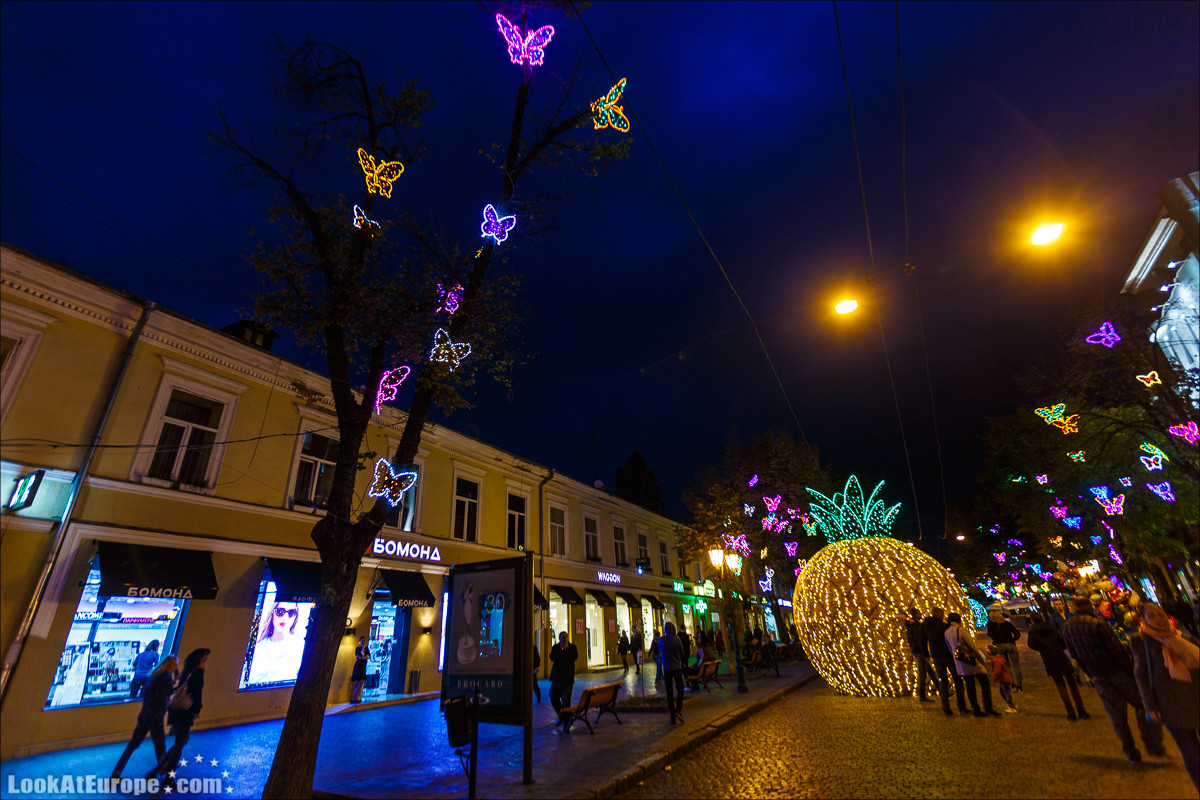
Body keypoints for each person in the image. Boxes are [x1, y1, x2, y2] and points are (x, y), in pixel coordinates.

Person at [1063, 595, 1164, 765]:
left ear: (1074, 606)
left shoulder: (1067, 628)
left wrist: (1090, 673)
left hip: (1099, 676)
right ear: (1089, 606)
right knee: (1141, 704)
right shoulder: (1098, 624)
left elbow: (1074, 654)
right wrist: (1130, 669)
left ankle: (1131, 752)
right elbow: (1116, 650)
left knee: (1117, 717)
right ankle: (1151, 741)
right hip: (1117, 673)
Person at [1131, 601, 1200, 789]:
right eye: (1151, 616)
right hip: (1170, 705)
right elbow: (1141, 674)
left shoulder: (1184, 638)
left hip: (1196, 697)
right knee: (1192, 753)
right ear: (1143, 619)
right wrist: (1150, 706)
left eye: (1160, 614)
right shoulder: (1141, 641)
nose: (1158, 619)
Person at [148, 648, 210, 786]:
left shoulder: (188, 670)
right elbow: (196, 694)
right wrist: (197, 710)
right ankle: (168, 777)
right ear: (200, 658)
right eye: (206, 656)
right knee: (179, 745)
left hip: (177, 710)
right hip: (186, 712)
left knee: (181, 742)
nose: (207, 658)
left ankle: (159, 769)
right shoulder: (198, 673)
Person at [112, 655, 177, 779]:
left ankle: (116, 773)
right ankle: (165, 774)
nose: (176, 668)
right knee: (160, 746)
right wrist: (176, 685)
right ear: (170, 665)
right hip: (156, 717)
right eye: (175, 665)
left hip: (145, 714)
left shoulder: (153, 676)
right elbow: (165, 693)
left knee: (132, 745)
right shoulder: (165, 679)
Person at [1027, 612, 1090, 720]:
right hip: (1061, 657)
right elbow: (1063, 644)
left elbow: (1031, 645)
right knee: (1073, 684)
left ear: (1032, 620)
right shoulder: (1051, 628)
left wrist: (1041, 647)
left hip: (1049, 659)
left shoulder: (1033, 631)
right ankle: (1081, 710)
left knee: (1060, 686)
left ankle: (1070, 712)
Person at [945, 612, 999, 717]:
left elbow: (950, 648)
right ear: (959, 620)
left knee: (970, 686)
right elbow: (972, 647)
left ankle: (976, 709)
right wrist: (982, 660)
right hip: (971, 661)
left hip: (959, 662)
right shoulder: (961, 630)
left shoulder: (946, 632)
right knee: (984, 682)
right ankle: (988, 707)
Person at [248, 601, 307, 684]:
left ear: (296, 616)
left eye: (291, 612)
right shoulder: (256, 649)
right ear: (272, 613)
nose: (285, 617)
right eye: (280, 611)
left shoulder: (301, 648)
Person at [923, 607, 965, 717]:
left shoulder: (926, 626)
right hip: (948, 656)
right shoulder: (944, 626)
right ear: (940, 615)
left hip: (936, 656)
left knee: (942, 680)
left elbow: (922, 640)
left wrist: (926, 654)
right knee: (957, 679)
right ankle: (961, 705)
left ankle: (945, 706)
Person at [987, 611, 1024, 692]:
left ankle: (1012, 684)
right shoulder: (1007, 623)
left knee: (1006, 665)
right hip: (1011, 645)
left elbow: (989, 634)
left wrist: (995, 638)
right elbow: (1017, 633)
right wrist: (1013, 639)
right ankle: (1019, 686)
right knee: (1016, 665)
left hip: (999, 645)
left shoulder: (990, 624)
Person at [904, 608, 936, 703]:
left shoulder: (913, 624)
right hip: (920, 651)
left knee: (930, 672)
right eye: (919, 613)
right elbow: (919, 640)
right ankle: (922, 695)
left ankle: (943, 691)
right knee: (923, 673)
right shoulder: (915, 625)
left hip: (918, 650)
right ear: (916, 614)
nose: (921, 614)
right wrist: (925, 653)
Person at [548, 631, 578, 726]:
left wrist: (567, 649)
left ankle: (566, 722)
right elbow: (552, 657)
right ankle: (561, 716)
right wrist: (561, 650)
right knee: (553, 698)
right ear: (559, 638)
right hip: (556, 679)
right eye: (563, 637)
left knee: (566, 702)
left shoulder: (572, 647)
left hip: (567, 680)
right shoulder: (556, 648)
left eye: (566, 637)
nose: (564, 639)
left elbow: (574, 657)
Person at [659, 621, 685, 724]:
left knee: (669, 693)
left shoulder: (661, 640)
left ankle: (672, 717)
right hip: (677, 668)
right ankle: (678, 709)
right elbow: (681, 653)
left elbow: (660, 651)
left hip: (667, 668)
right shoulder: (677, 639)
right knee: (680, 689)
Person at [986, 644, 1018, 713]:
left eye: (987, 648)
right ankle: (1012, 704)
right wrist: (990, 662)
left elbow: (997, 670)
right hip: (1003, 679)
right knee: (1003, 692)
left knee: (1006, 693)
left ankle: (1012, 707)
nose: (986, 649)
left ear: (991, 651)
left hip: (1004, 679)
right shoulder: (995, 659)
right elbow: (995, 664)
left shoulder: (996, 660)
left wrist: (994, 678)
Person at [350, 636, 368, 704]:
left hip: (363, 666)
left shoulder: (366, 648)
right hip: (358, 666)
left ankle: (354, 697)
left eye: (364, 641)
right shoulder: (358, 648)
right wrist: (363, 655)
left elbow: (368, 656)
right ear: (359, 641)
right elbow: (359, 656)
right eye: (362, 641)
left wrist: (363, 657)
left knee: (361, 681)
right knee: (356, 681)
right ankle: (354, 697)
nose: (363, 642)